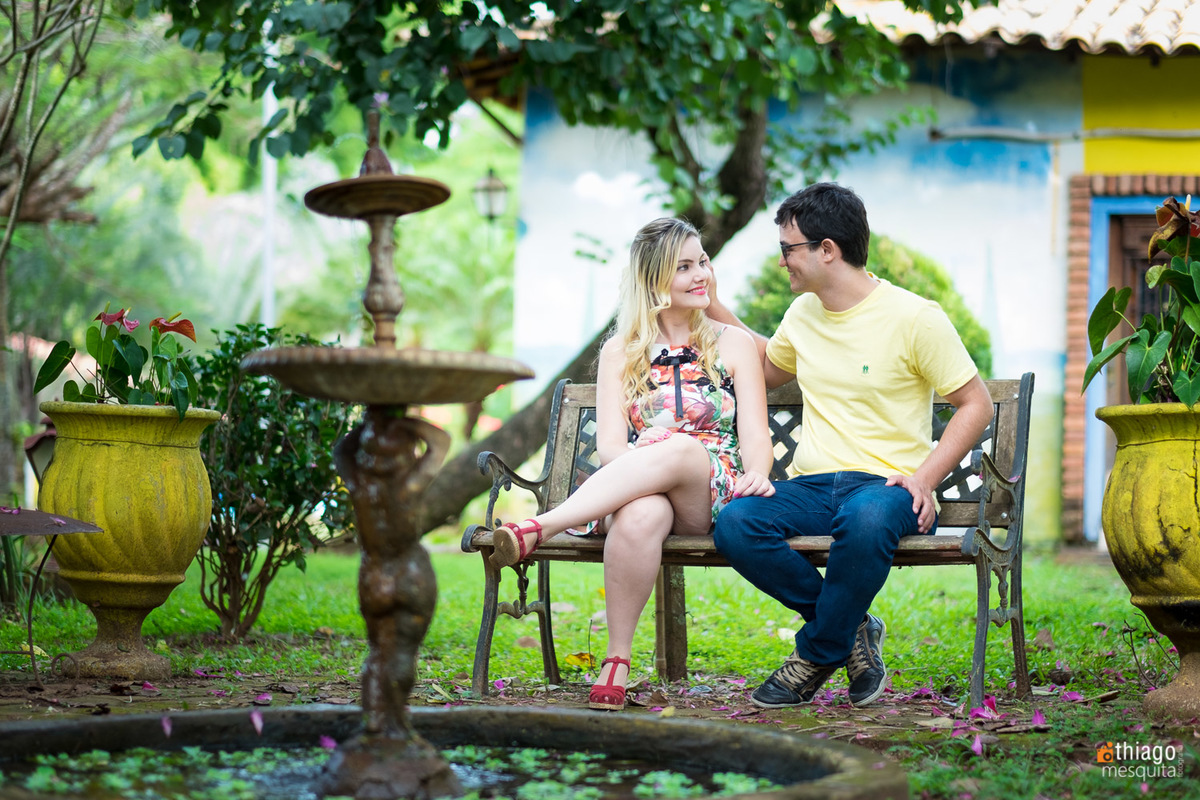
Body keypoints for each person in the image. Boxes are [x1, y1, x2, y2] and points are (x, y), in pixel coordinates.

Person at [705, 182, 994, 709]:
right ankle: (851, 628)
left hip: (886, 488)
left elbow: (975, 403)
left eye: (788, 249)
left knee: (863, 522)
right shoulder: (804, 315)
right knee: (736, 522)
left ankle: (813, 656)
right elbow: (764, 368)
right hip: (814, 485)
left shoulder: (915, 317)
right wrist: (714, 306)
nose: (782, 263)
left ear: (827, 250)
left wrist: (925, 477)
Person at [488, 217, 776, 711]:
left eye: (702, 261)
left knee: (684, 450)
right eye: (684, 267)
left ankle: (542, 527)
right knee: (641, 513)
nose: (700, 274)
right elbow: (612, 450)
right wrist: (652, 462)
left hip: (710, 490)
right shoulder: (620, 352)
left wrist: (760, 471)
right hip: (644, 488)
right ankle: (616, 662)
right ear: (655, 280)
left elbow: (754, 432)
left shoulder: (734, 343)